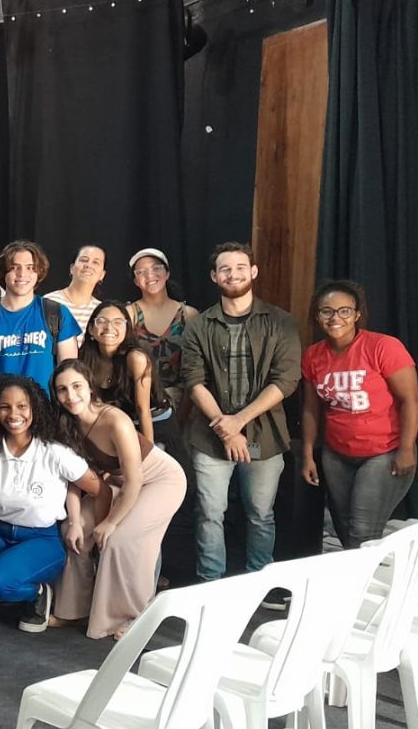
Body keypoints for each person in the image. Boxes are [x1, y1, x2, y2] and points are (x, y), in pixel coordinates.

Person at [0, 376, 104, 633]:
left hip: (42, 538)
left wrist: (83, 524)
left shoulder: (54, 452)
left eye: (22, 406)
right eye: (5, 407)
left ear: (35, 409)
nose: (14, 414)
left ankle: (36, 594)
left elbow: (100, 489)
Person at [180, 242, 301, 581]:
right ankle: (210, 582)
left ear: (253, 271)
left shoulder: (281, 322)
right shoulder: (199, 325)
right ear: (214, 276)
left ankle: (258, 582)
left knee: (260, 513)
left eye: (239, 267)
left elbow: (287, 379)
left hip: (264, 436)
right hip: (210, 437)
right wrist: (226, 429)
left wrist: (238, 422)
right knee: (209, 514)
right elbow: (192, 380)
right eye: (225, 269)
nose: (232, 274)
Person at [51, 361, 187, 640]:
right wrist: (75, 521)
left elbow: (135, 480)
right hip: (118, 484)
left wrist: (111, 522)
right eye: (62, 389)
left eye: (76, 386)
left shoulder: (115, 421)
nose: (70, 395)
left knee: (120, 539)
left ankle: (132, 616)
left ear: (90, 387)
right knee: (74, 531)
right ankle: (75, 610)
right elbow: (75, 479)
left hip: (160, 481)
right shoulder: (66, 424)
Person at [301, 280, 418, 548]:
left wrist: (406, 448)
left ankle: (363, 576)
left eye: (344, 311)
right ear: (317, 316)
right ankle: (358, 572)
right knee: (343, 528)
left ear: (357, 314)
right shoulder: (313, 356)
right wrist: (308, 455)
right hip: (337, 454)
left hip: (383, 452)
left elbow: (410, 400)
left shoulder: (383, 347)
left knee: (363, 531)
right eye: (326, 311)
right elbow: (310, 409)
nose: (335, 318)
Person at [0, 240, 82, 392]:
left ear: (38, 272)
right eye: (15, 267)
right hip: (0, 405)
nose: (22, 274)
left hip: (46, 405)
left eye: (30, 268)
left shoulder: (57, 313)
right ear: (4, 271)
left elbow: (69, 375)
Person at [78, 300, 165, 442]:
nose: (109, 327)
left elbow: (143, 409)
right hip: (117, 429)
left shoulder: (136, 358)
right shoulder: (82, 360)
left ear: (127, 329)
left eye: (118, 322)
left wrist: (149, 450)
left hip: (153, 425)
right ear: (91, 329)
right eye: (102, 321)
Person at [125, 248, 198, 410]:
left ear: (167, 273)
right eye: (141, 272)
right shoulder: (129, 314)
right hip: (141, 400)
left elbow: (197, 365)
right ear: (136, 281)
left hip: (184, 401)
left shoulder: (189, 314)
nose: (149, 275)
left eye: (156, 268)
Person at [44, 244, 106, 340]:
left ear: (102, 275)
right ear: (72, 268)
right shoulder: (49, 301)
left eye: (96, 262)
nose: (88, 265)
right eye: (84, 260)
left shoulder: (101, 310)